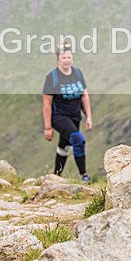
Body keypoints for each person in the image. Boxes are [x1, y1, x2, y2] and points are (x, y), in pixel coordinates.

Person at [42, 42, 93, 183]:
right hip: (59, 117)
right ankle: (84, 175)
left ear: (72, 58)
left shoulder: (77, 73)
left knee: (64, 148)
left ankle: (55, 177)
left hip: (75, 116)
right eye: (63, 58)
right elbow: (47, 103)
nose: (66, 60)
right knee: (78, 140)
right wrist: (47, 127)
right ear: (58, 59)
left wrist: (88, 117)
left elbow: (84, 96)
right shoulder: (52, 77)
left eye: (69, 57)